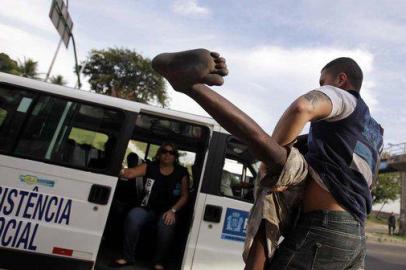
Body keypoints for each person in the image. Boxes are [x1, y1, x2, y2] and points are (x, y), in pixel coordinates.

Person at [151, 49, 383, 269]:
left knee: (277, 165)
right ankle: (190, 85)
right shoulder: (374, 132)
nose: (321, 86)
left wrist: (268, 163)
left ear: (341, 79)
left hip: (324, 227)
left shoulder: (344, 97)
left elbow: (302, 107)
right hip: (355, 236)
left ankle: (190, 87)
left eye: (323, 81)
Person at [111, 143, 189, 269]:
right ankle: (127, 257)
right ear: (159, 153)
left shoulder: (181, 172)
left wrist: (173, 210)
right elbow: (130, 173)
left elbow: (185, 195)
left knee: (166, 226)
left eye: (171, 152)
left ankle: (159, 262)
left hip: (168, 211)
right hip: (146, 207)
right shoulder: (150, 166)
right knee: (133, 217)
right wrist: (115, 169)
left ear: (175, 156)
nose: (167, 154)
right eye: (164, 151)